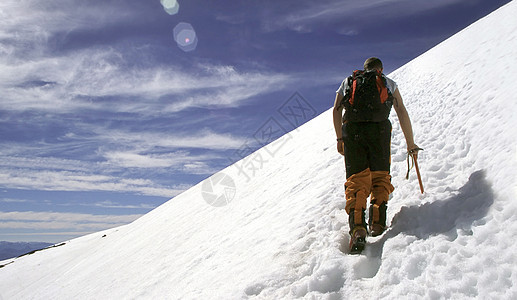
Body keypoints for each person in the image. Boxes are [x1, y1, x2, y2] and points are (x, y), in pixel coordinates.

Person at [332, 57, 420, 253]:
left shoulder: (349, 82)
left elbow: (336, 110)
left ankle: (358, 228)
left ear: (364, 69)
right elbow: (401, 111)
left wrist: (340, 138)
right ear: (380, 69)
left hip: (353, 131)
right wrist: (410, 143)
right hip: (379, 131)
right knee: (380, 177)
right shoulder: (387, 83)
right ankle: (377, 223)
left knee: (357, 180)